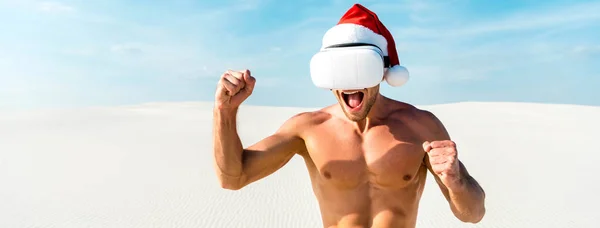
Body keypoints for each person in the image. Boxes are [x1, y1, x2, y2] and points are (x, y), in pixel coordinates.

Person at [212, 4, 485, 228]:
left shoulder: (421, 126)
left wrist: (456, 179)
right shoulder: (308, 129)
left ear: (381, 70)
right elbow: (233, 178)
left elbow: (472, 214)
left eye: (359, 68)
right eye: (339, 70)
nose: (349, 81)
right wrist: (225, 111)